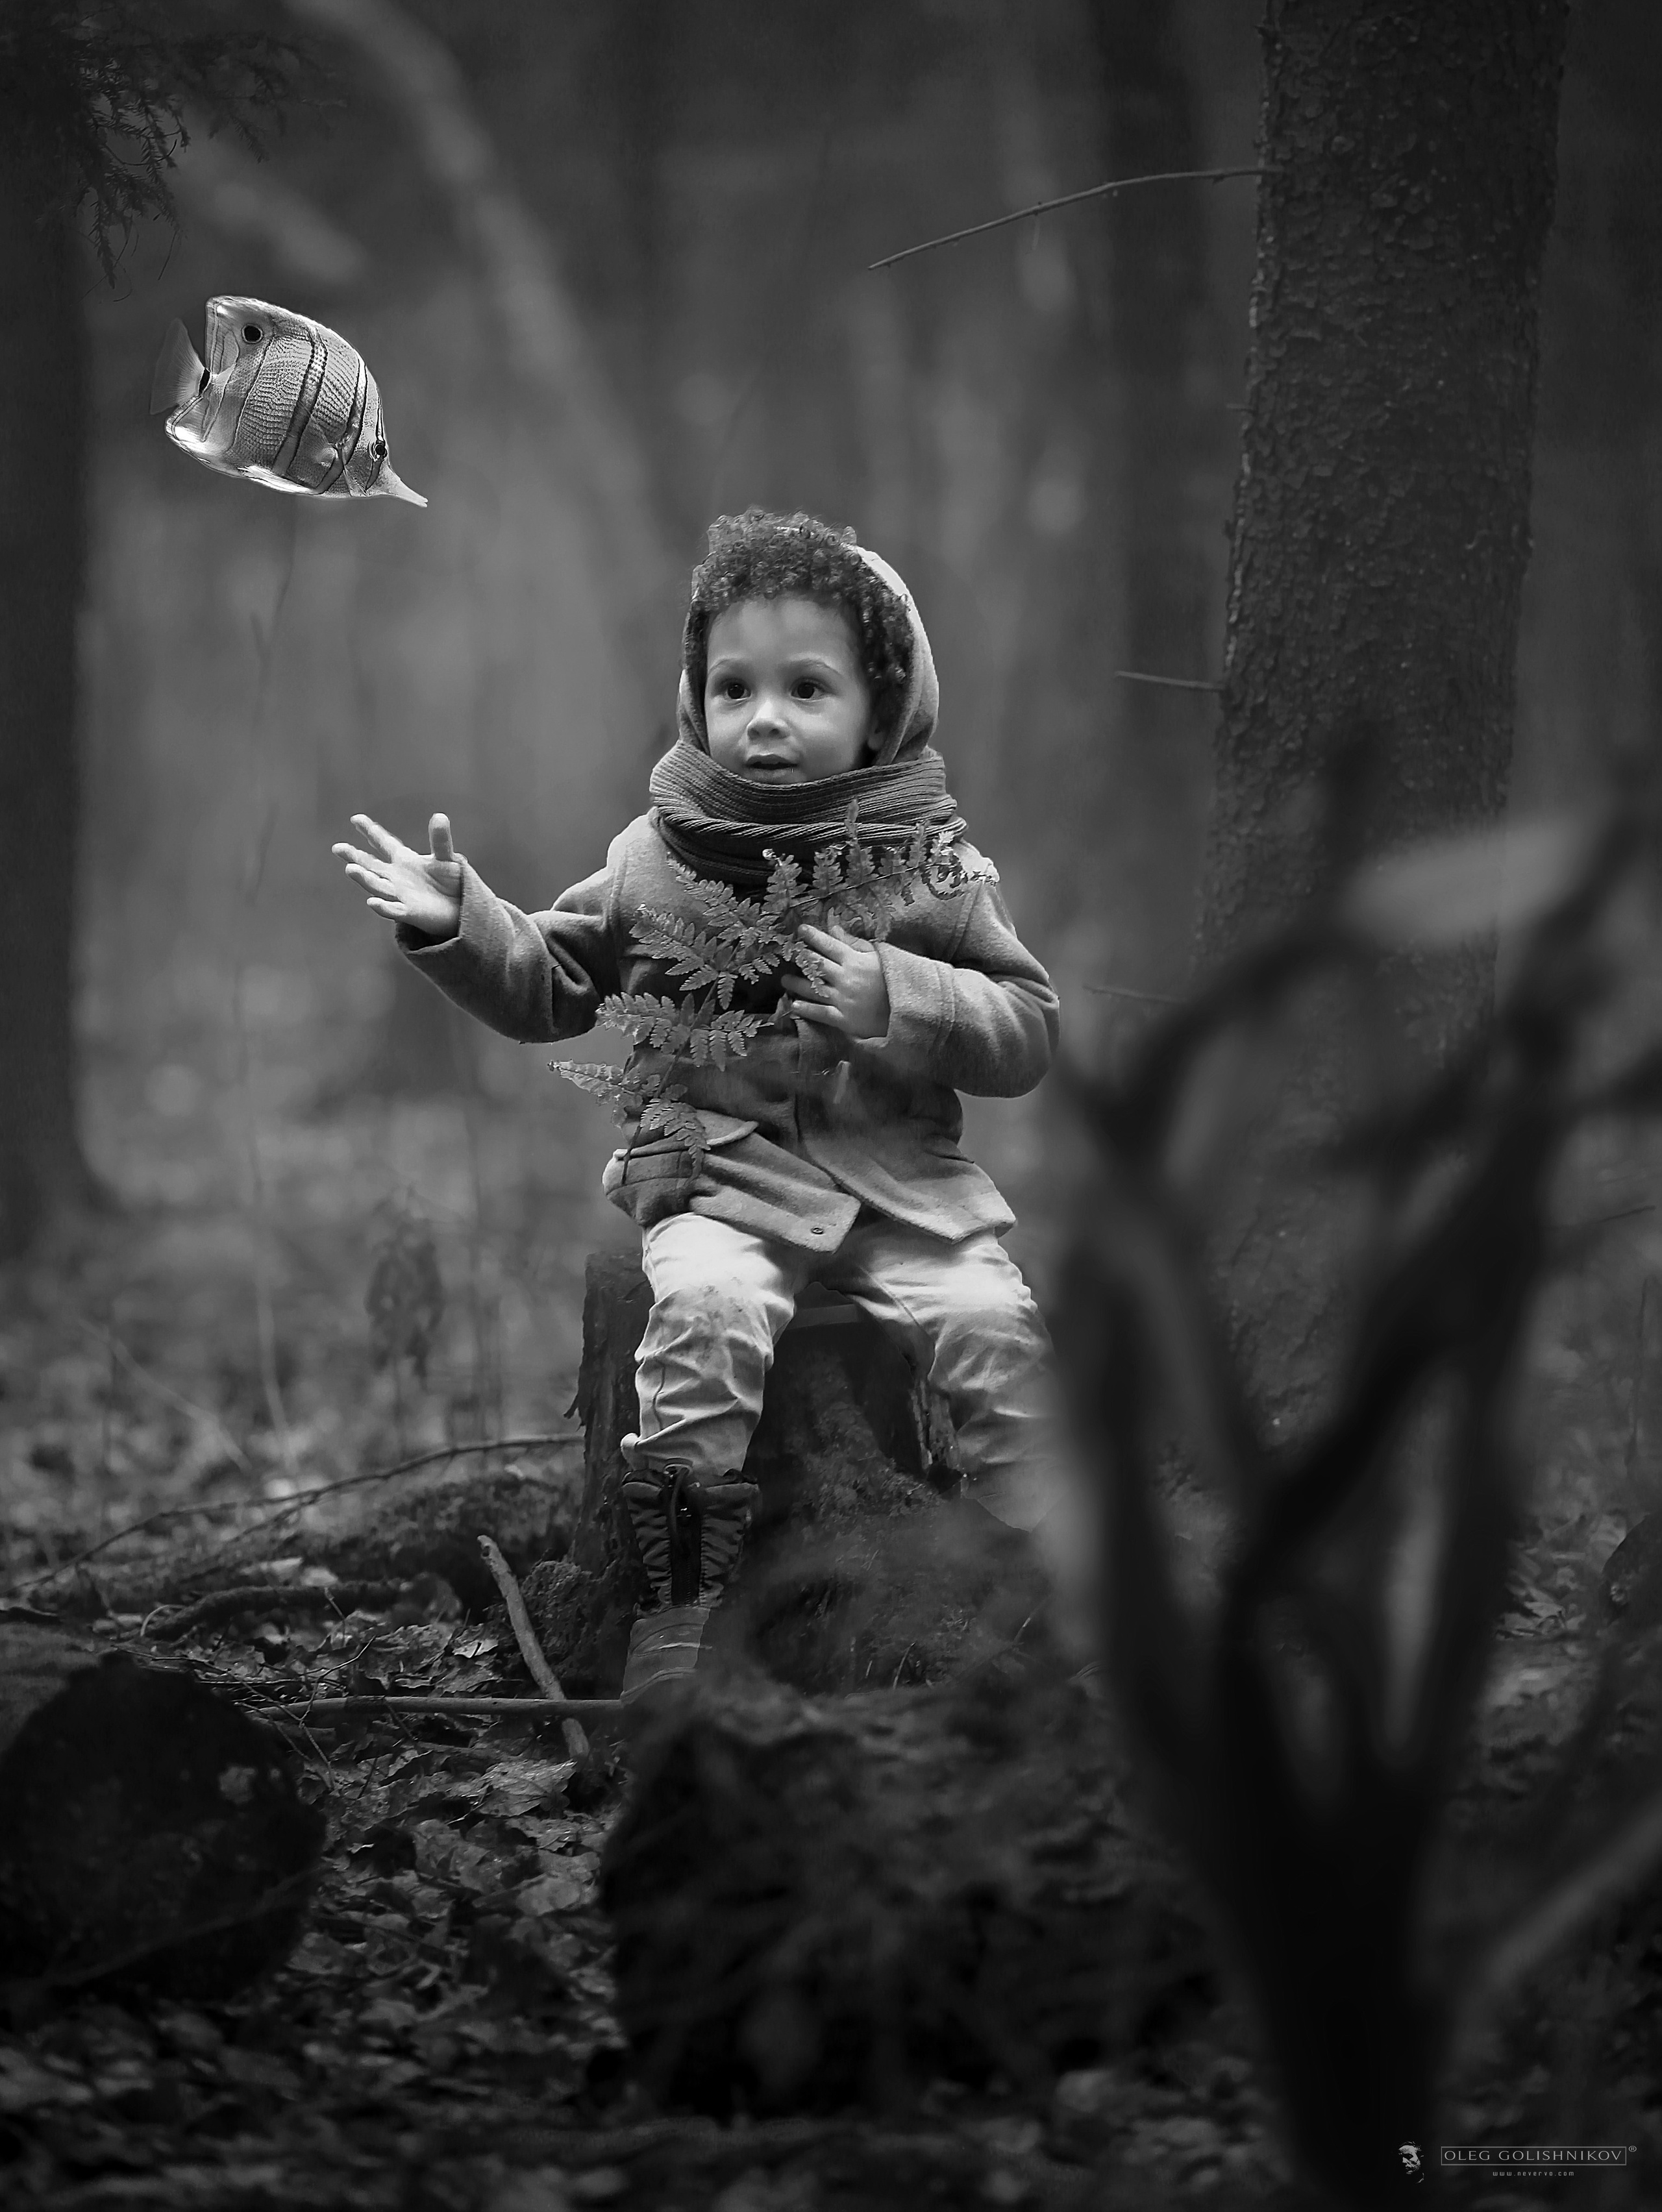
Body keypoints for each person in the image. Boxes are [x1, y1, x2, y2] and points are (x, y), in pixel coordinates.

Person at [334, 510, 1066, 1697]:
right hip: (722, 1182)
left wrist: (904, 996)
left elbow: (1026, 1026)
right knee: (704, 1325)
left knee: (993, 1329)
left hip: (904, 1189)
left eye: (807, 687)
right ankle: (679, 1610)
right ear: (697, 702)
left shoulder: (932, 865)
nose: (764, 717)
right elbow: (557, 981)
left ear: (881, 713)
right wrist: (459, 922)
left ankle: (1037, 1593)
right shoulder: (654, 855)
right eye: (735, 688)